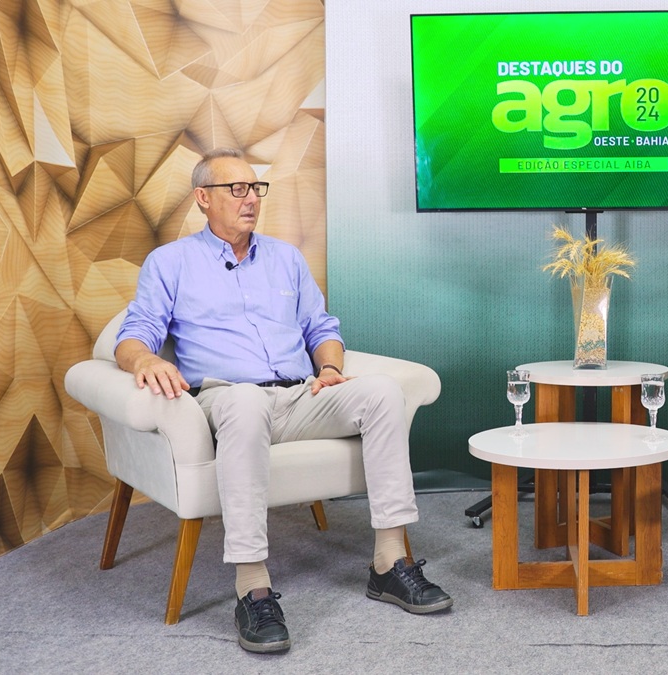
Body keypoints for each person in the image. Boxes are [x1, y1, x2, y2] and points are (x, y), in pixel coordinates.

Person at [115, 147, 452, 654]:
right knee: (247, 402)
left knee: (383, 392)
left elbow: (322, 328)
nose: (250, 199)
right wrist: (144, 361)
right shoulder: (171, 263)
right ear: (203, 198)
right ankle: (252, 587)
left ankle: (389, 563)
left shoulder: (286, 258)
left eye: (255, 188)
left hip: (298, 395)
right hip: (228, 401)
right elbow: (134, 335)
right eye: (237, 189)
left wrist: (331, 369)